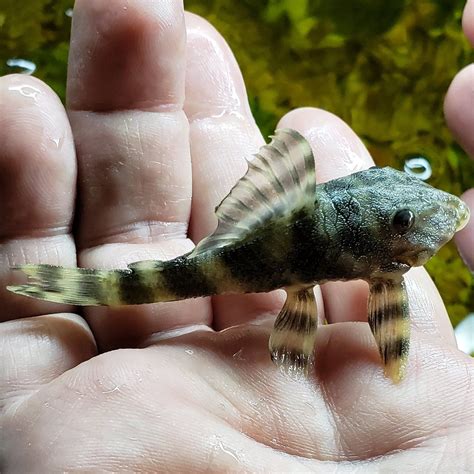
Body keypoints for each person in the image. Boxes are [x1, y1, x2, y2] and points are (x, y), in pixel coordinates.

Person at [0, 0, 472, 471]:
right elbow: (390, 328)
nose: (440, 214)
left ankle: (60, 283)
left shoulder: (384, 272)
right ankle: (71, 286)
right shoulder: (383, 277)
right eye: (403, 222)